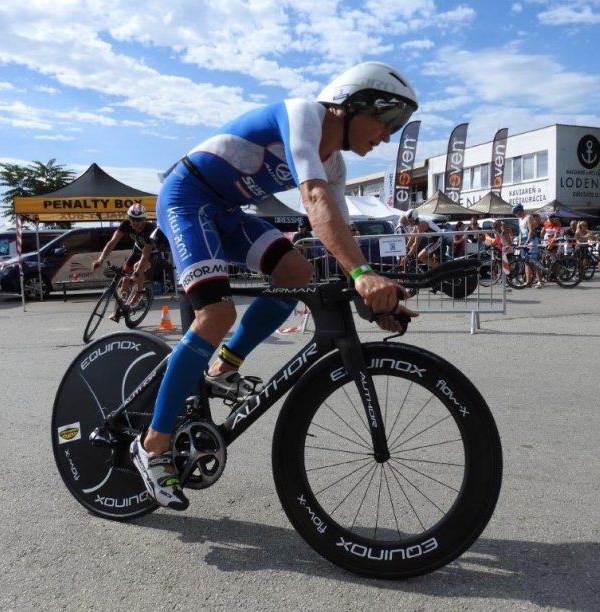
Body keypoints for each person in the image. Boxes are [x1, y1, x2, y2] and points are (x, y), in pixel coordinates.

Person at [136, 61, 419, 510]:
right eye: (387, 121)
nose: (388, 135)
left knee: (296, 275)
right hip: (186, 200)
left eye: (397, 126)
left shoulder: (337, 166)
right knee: (217, 314)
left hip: (226, 211)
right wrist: (365, 277)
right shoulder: (304, 115)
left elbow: (339, 230)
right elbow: (314, 200)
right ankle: (153, 444)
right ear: (352, 105)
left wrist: (370, 292)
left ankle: (223, 365)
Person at [91, 203, 155, 321]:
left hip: (153, 252)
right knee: (124, 278)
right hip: (137, 249)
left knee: (137, 268)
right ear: (128, 218)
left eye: (139, 220)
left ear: (145, 219)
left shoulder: (150, 229)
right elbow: (112, 242)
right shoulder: (126, 225)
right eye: (133, 219)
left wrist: (136, 275)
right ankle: (121, 308)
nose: (136, 223)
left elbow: (145, 256)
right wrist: (101, 259)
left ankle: (138, 294)